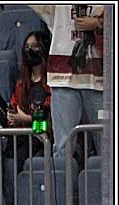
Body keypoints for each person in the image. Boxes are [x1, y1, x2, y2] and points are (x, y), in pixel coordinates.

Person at [30, 4, 103, 158]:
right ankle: (64, 182)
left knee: (107, 144)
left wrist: (99, 23)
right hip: (62, 77)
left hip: (99, 79)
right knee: (62, 148)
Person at [7, 30, 53, 170]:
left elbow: (51, 125)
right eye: (27, 47)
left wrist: (27, 119)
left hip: (47, 140)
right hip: (26, 139)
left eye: (35, 46)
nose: (30, 51)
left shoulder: (51, 82)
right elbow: (15, 108)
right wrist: (13, 117)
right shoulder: (22, 83)